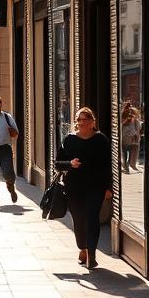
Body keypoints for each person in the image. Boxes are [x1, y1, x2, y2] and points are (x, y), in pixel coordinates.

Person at [55, 107, 112, 269]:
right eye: (79, 120)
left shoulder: (101, 140)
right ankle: (83, 248)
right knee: (79, 219)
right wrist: (70, 164)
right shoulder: (69, 139)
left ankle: (92, 254)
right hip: (74, 187)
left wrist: (108, 187)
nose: (81, 123)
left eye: (85, 119)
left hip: (96, 186)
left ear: (92, 121)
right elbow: (58, 164)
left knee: (92, 217)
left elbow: (108, 165)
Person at [121, 104, 142, 174]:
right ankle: (127, 166)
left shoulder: (133, 121)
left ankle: (127, 166)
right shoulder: (127, 121)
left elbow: (137, 130)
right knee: (127, 154)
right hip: (128, 140)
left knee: (128, 154)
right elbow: (134, 131)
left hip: (128, 140)